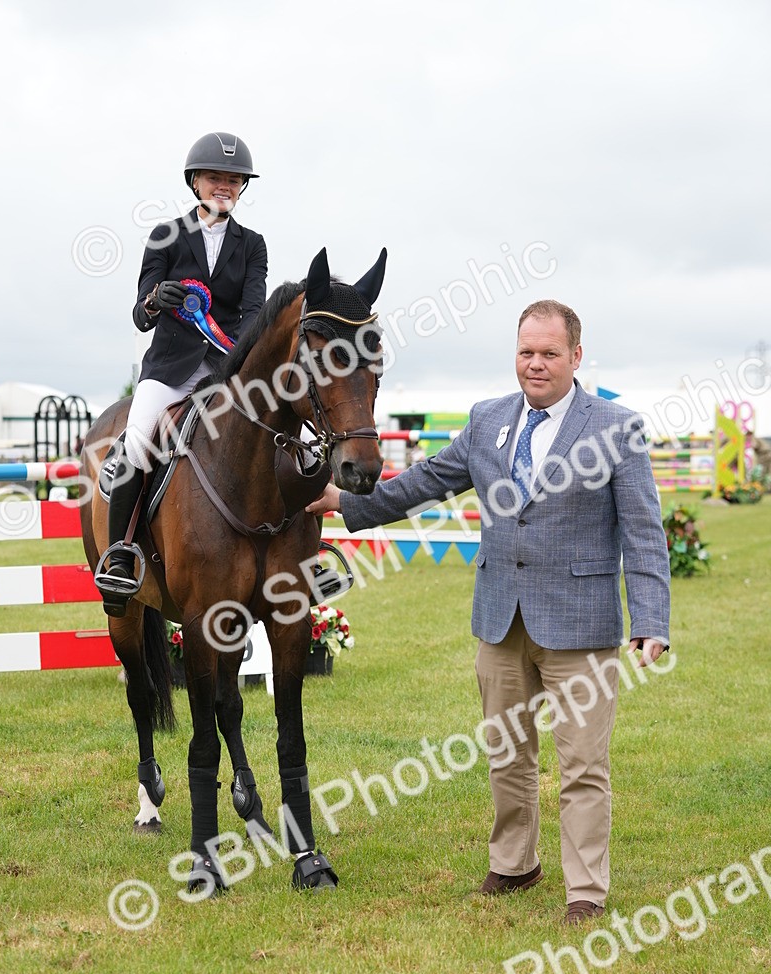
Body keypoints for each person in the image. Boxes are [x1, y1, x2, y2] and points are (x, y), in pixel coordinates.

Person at [307, 300, 671, 925]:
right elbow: (426, 482)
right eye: (526, 351)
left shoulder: (616, 427)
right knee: (507, 752)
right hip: (500, 618)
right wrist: (347, 501)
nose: (536, 364)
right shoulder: (488, 421)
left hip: (581, 624)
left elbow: (642, 530)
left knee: (583, 764)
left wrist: (651, 620)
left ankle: (585, 889)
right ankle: (515, 863)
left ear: (576, 357)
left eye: (549, 353)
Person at [95, 131, 268, 611]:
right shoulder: (165, 235)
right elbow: (140, 312)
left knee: (272, 434)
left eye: (234, 181)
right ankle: (119, 557)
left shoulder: (252, 245)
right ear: (195, 182)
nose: (224, 187)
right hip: (171, 368)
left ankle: (291, 551)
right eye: (216, 178)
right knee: (138, 440)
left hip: (226, 368)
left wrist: (239, 361)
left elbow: (254, 311)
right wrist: (157, 298)